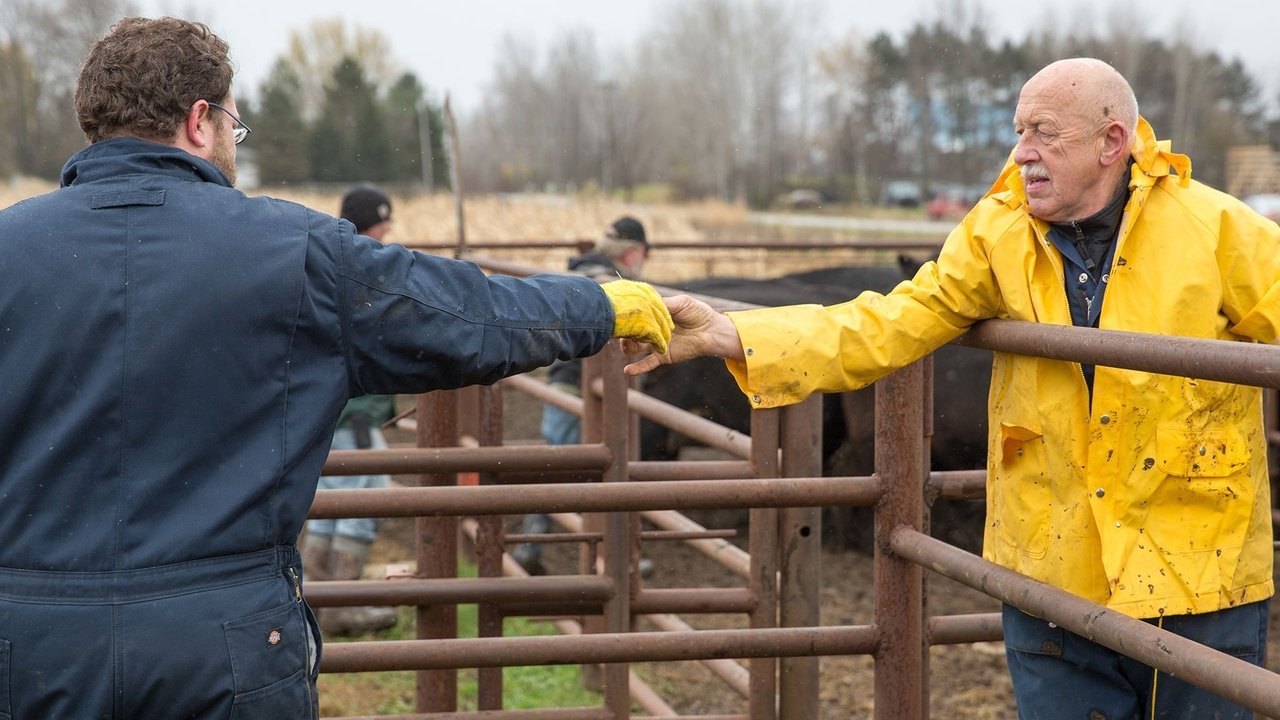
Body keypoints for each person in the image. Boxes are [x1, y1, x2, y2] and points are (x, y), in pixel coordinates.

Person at [0, 16, 672, 719]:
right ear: (200, 120)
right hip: (220, 645)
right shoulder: (296, 251)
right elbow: (474, 314)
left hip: (28, 644)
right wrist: (606, 305)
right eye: (234, 122)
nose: (233, 138)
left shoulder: (9, 248)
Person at [625, 57, 1280, 719]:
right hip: (1051, 573)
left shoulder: (1217, 232)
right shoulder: (999, 233)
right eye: (1019, 131)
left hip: (1199, 572)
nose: (1021, 153)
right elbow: (891, 321)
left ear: (1111, 142)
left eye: (1044, 134)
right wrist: (732, 334)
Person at [513, 216, 650, 576]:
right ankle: (612, 553)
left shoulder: (582, 272)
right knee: (606, 462)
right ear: (634, 252)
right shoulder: (615, 282)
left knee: (559, 458)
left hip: (565, 379)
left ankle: (536, 539)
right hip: (588, 383)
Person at [299, 183, 399, 636]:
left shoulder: (324, 262)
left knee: (331, 499)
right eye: (384, 227)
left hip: (332, 412)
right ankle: (340, 602)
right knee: (367, 494)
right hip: (354, 415)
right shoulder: (363, 274)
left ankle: (317, 601)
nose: (388, 236)